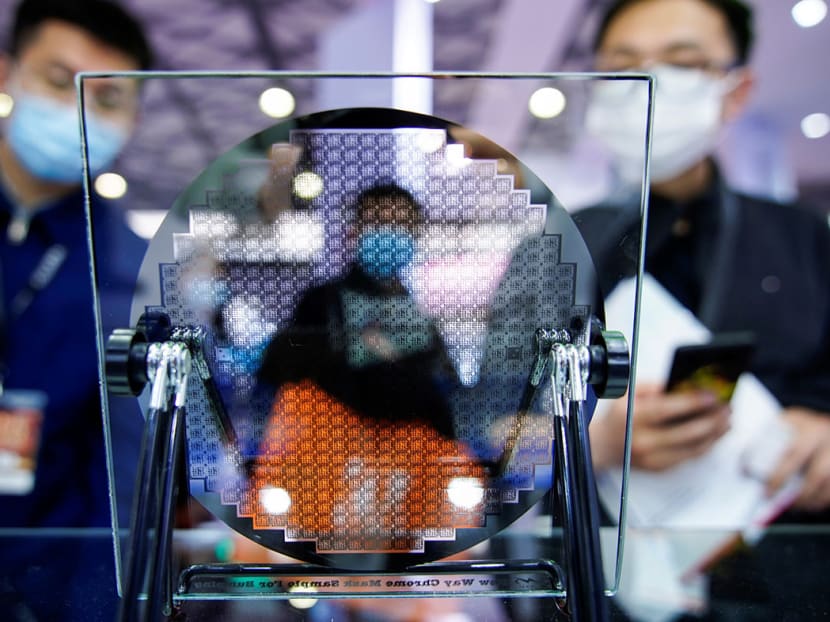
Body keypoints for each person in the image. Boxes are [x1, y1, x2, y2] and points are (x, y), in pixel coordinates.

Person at [577, 0, 830, 515]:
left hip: (789, 553)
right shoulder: (558, 241)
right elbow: (489, 420)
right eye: (622, 65)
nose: (646, 83)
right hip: (593, 564)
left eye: (682, 62)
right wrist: (596, 442)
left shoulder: (803, 236)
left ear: (735, 91)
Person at [0, 0, 151, 617]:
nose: (80, 111)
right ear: (7, 74)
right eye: (59, 82)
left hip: (41, 580)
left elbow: (122, 484)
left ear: (134, 117)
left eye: (108, 99)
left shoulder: (130, 274)